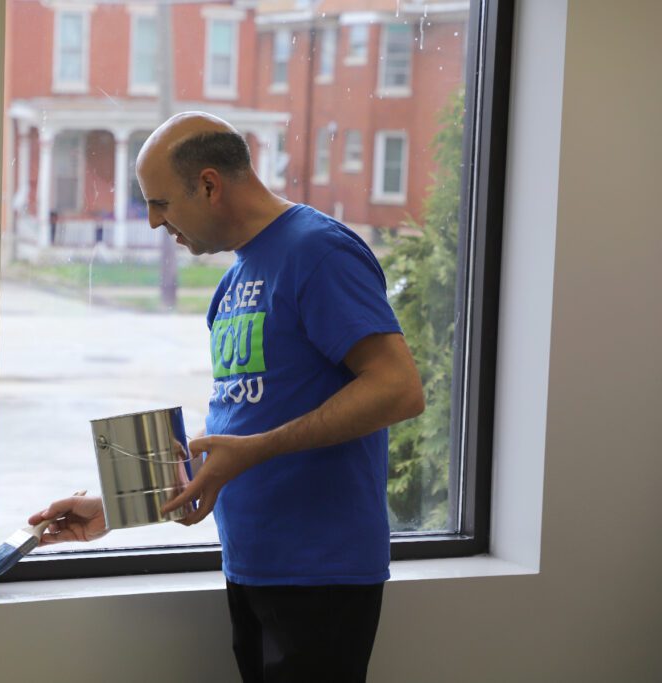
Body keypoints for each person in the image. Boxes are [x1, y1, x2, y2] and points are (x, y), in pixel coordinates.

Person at [27, 112, 425, 682]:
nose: (154, 222)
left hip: (320, 574)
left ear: (209, 184)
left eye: (160, 202)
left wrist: (256, 450)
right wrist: (119, 508)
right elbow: (243, 425)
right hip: (252, 566)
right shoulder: (233, 282)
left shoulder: (319, 252)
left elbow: (398, 389)